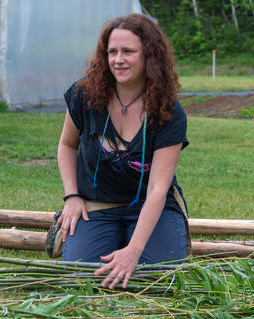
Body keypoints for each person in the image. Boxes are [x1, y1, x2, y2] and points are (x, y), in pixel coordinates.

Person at [57, 14, 189, 290]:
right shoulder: (84, 95)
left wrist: (134, 250)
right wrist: (71, 196)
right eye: (112, 52)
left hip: (153, 207)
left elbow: (156, 189)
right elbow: (67, 146)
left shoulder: (168, 112)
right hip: (97, 206)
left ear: (149, 56)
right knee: (82, 278)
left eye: (128, 51)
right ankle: (108, 237)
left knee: (156, 281)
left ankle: (128, 241)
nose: (118, 60)